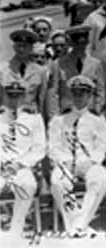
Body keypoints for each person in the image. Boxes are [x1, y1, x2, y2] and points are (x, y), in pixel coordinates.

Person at [48, 75, 106, 235]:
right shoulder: (59, 119)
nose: (79, 97)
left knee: (99, 178)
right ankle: (79, 225)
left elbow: (102, 146)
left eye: (83, 93)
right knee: (57, 181)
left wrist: (93, 161)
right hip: (66, 162)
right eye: (75, 93)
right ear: (71, 95)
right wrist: (63, 161)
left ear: (89, 96)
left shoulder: (98, 119)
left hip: (87, 162)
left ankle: (77, 224)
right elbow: (53, 147)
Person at [0, 80, 46, 236]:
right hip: (1, 167)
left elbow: (39, 148)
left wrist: (20, 164)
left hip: (22, 167)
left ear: (24, 96)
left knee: (28, 185)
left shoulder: (34, 118)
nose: (14, 100)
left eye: (18, 96)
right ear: (4, 96)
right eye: (10, 96)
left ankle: (16, 228)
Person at [47, 25, 105, 119]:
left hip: (88, 113)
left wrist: (96, 111)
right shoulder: (58, 64)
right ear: (70, 43)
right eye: (77, 42)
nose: (80, 46)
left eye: (83, 42)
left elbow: (100, 91)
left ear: (87, 42)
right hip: (66, 113)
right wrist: (54, 117)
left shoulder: (96, 64)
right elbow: (53, 93)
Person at [0, 29, 48, 113]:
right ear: (14, 47)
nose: (21, 49)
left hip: (30, 115)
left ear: (31, 48)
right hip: (6, 115)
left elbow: (42, 100)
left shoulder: (40, 71)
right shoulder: (2, 68)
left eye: (25, 46)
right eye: (19, 45)